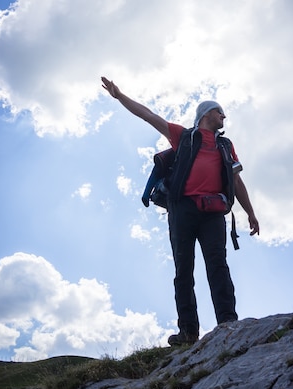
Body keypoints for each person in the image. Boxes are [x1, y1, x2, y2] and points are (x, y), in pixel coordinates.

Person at [101, 76, 259, 345]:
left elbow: (236, 180)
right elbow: (149, 116)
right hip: (182, 209)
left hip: (213, 212)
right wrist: (120, 96)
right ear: (207, 113)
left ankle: (228, 324)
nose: (224, 116)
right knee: (183, 271)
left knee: (218, 267)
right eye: (220, 112)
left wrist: (250, 212)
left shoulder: (225, 145)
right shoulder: (183, 137)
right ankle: (188, 332)